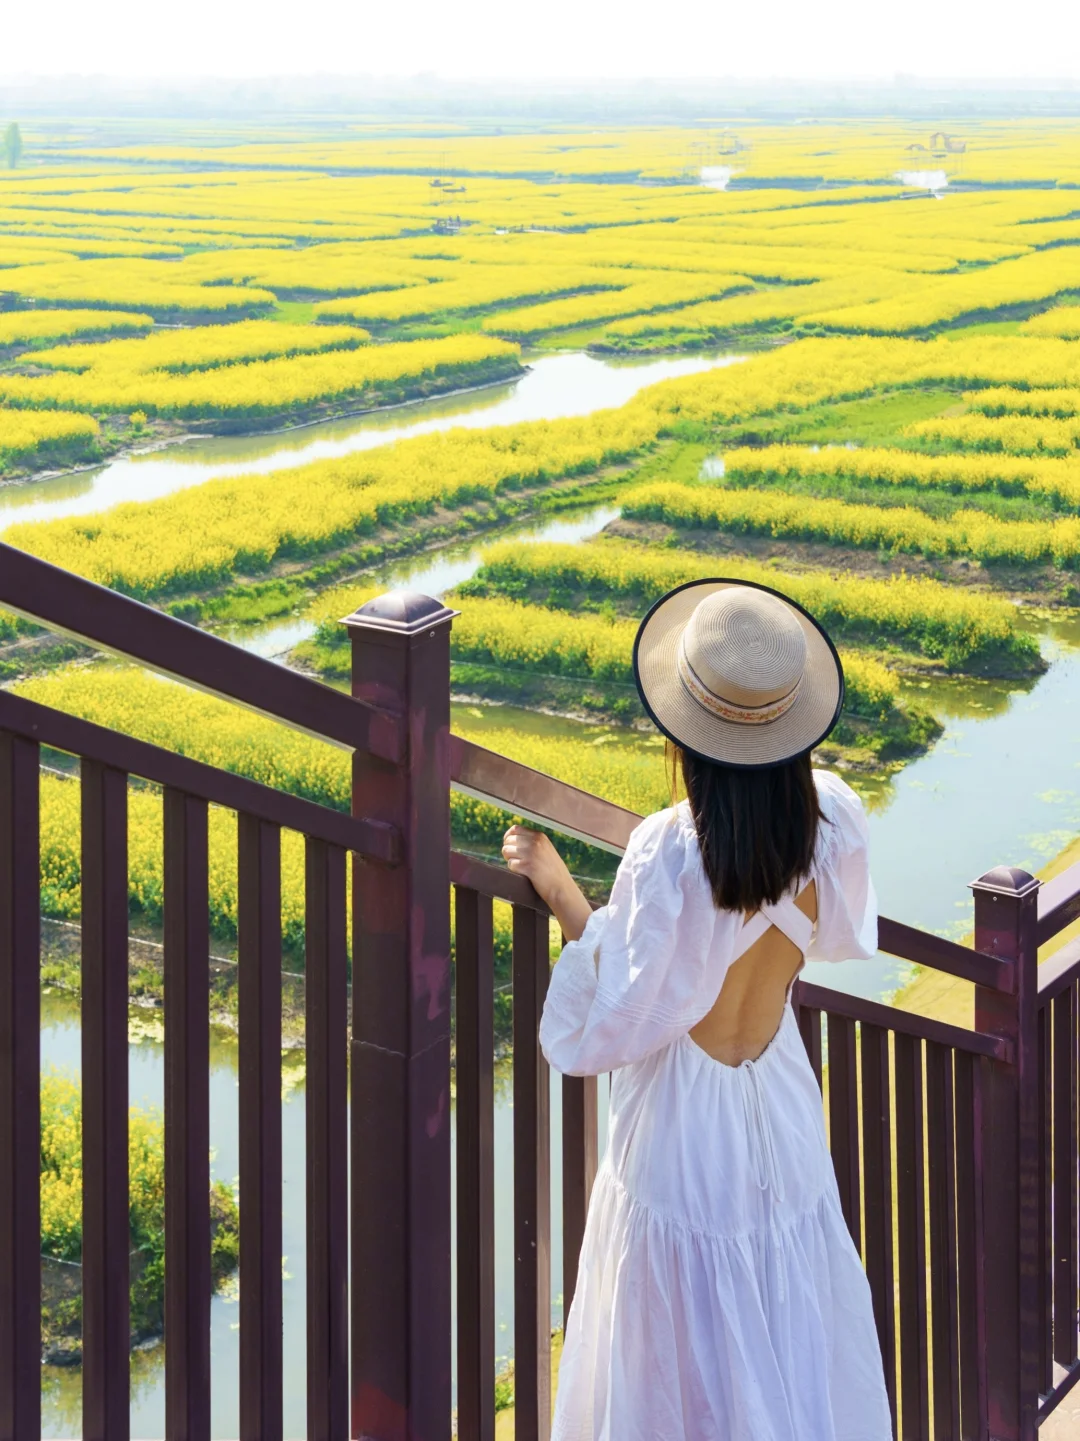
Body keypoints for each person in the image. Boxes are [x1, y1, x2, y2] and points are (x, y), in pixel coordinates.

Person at [502, 578, 893, 1441]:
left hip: (685, 1132)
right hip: (779, 1105)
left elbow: (607, 1028)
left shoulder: (674, 849)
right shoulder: (835, 820)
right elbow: (829, 939)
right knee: (787, 1325)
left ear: (691, 731)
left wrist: (566, 897)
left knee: (672, 1358)